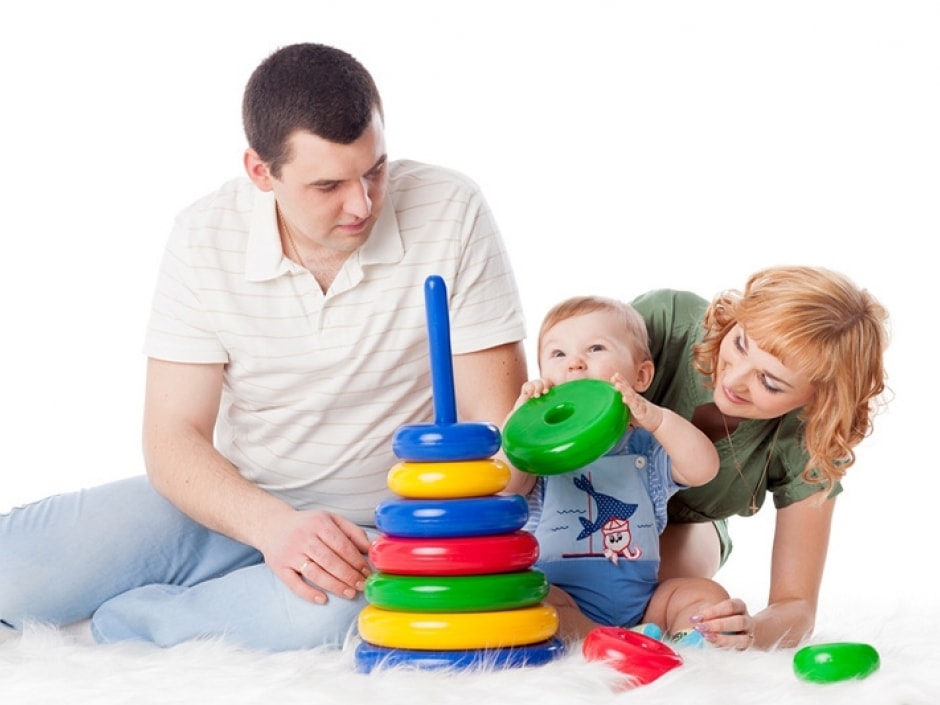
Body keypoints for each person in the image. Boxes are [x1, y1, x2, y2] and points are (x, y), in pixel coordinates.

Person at [0, 43, 528, 651]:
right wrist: (272, 528)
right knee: (15, 574)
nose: (362, 204)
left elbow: (499, 437)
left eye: (375, 170)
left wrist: (431, 540)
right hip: (235, 503)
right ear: (260, 172)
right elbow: (172, 438)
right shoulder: (204, 233)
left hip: (377, 530)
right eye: (328, 185)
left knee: (340, 615)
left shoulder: (452, 209)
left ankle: (127, 623)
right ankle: (218, 584)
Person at [631, 265, 889, 650]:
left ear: (818, 400)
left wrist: (748, 630)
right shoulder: (666, 322)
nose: (734, 380)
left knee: (634, 587)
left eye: (769, 382)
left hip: (685, 529)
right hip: (575, 501)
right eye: (740, 344)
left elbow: (796, 604)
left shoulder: (807, 443)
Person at [504, 295, 730, 644]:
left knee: (705, 592)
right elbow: (506, 486)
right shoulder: (540, 456)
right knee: (536, 605)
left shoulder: (647, 447)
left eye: (595, 348)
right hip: (564, 598)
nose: (575, 363)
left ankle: (689, 640)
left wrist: (658, 421)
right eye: (558, 354)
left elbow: (703, 469)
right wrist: (521, 426)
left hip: (644, 605)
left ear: (641, 375)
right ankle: (607, 639)